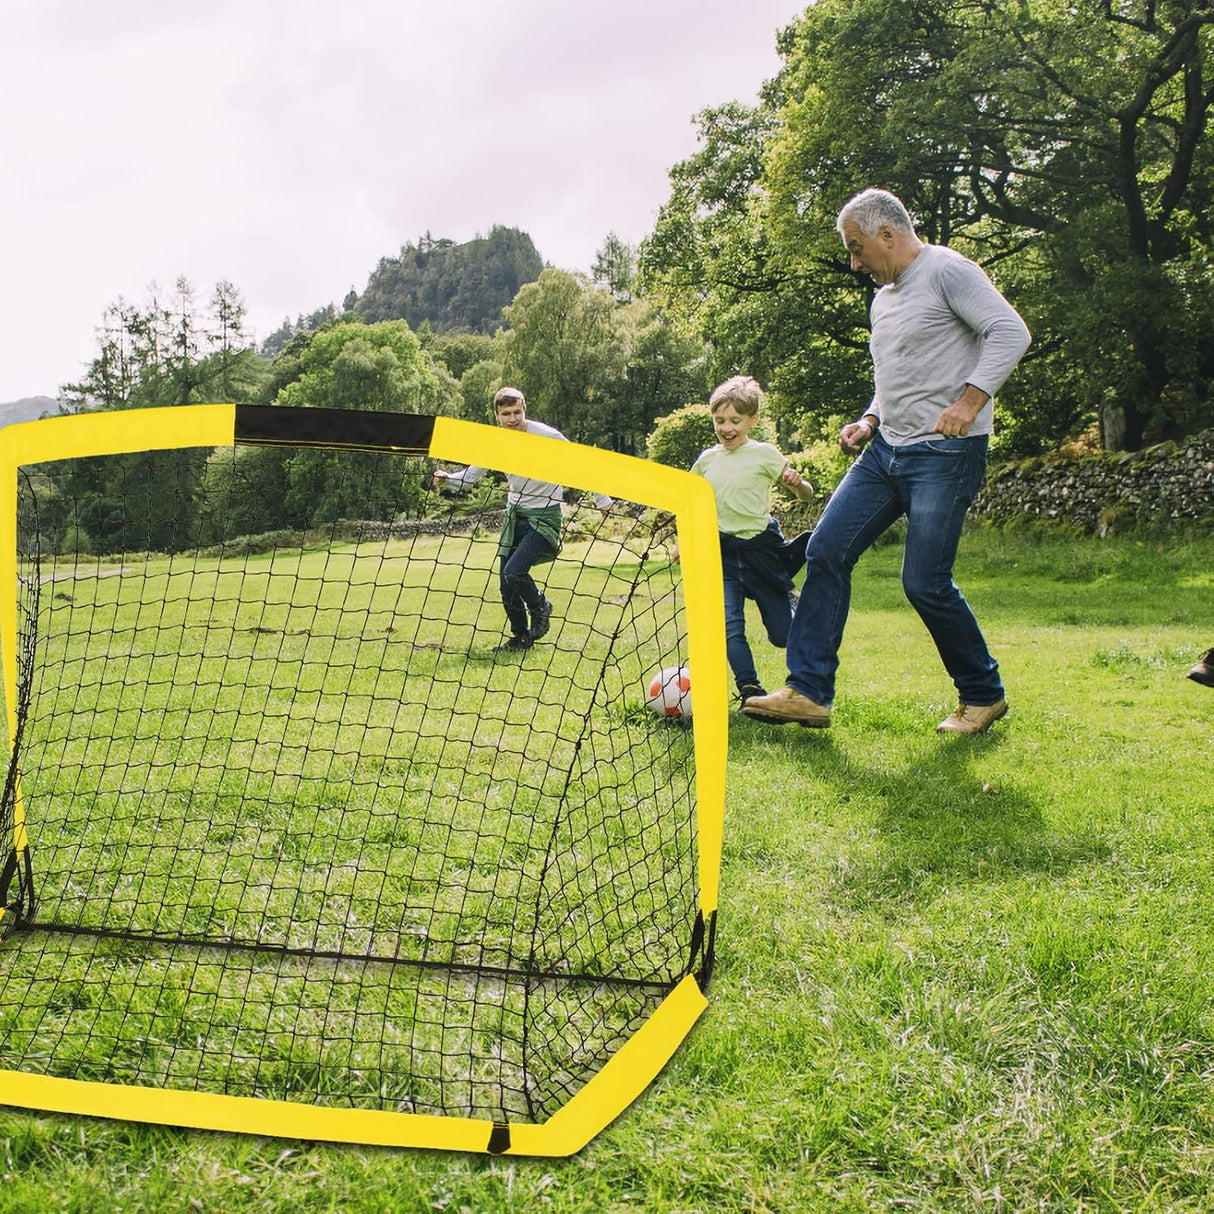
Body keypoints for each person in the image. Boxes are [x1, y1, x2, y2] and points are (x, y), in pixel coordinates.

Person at [744, 187, 1031, 734]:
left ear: (887, 234)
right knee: (825, 549)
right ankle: (808, 691)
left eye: (856, 249)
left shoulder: (947, 271)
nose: (855, 263)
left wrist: (970, 402)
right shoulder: (884, 299)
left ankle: (982, 694)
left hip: (945, 454)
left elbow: (1010, 331)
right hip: (885, 452)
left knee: (924, 581)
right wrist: (871, 419)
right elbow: (896, 373)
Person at [433, 386, 612, 652]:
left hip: (545, 516)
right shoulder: (495, 443)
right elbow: (470, 477)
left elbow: (581, 463)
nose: (512, 419)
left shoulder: (548, 436)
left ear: (524, 410)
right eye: (506, 414)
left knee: (514, 571)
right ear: (497, 415)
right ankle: (520, 638)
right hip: (515, 516)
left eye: (517, 412)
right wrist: (447, 479)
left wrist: (602, 500)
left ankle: (541, 606)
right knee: (506, 586)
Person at [689, 375, 814, 707]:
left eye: (735, 420)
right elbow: (688, 501)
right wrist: (683, 542)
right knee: (729, 625)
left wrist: (797, 483)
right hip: (722, 554)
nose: (726, 427)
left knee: (782, 636)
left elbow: (806, 495)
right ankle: (749, 689)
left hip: (761, 553)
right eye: (720, 420)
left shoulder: (764, 455)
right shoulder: (707, 460)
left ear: (753, 420)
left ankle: (794, 603)